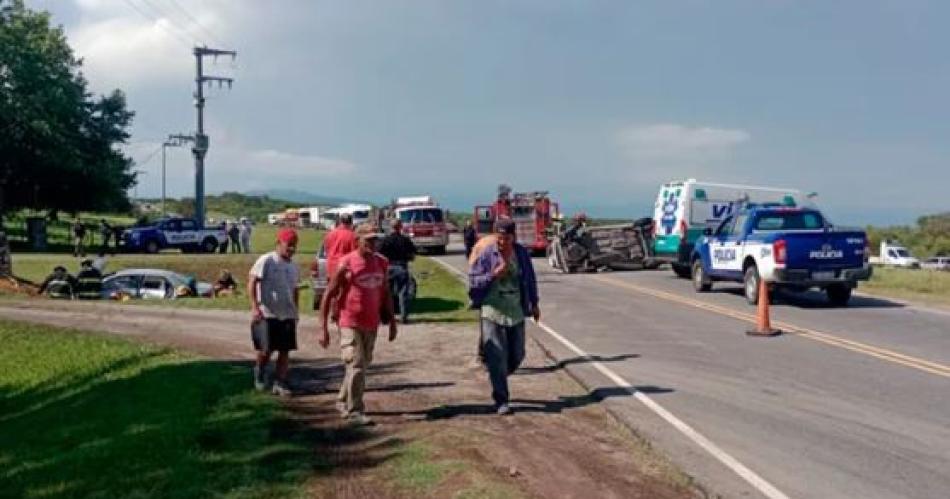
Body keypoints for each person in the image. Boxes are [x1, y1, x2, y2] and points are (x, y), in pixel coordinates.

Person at [319, 223, 397, 426]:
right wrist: (324, 329)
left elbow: (386, 292)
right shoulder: (346, 263)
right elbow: (328, 295)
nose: (373, 243)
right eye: (369, 240)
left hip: (371, 322)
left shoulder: (382, 262)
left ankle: (342, 399)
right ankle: (355, 410)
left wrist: (392, 321)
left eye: (375, 239)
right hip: (349, 321)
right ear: (357, 241)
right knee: (356, 364)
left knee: (362, 364)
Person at [468, 218, 539, 415]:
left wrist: (535, 303)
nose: (502, 243)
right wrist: (492, 275)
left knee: (517, 354)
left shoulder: (521, 253)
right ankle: (501, 399)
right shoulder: (486, 254)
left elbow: (530, 279)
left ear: (513, 237)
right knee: (496, 355)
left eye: (506, 239)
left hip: (515, 310)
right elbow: (473, 281)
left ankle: (497, 374)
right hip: (492, 310)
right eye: (499, 238)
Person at [247, 228, 301, 397]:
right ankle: (260, 372)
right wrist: (255, 307)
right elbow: (251, 282)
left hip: (287, 313)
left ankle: (280, 382)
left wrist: (295, 312)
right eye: (288, 245)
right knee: (266, 350)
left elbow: (295, 290)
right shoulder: (267, 260)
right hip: (267, 312)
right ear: (279, 244)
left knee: (285, 350)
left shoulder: (293, 266)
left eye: (294, 246)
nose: (291, 249)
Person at [379, 219, 417, 324]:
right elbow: (413, 254)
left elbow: (379, 254)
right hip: (401, 267)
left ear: (391, 227)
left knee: (387, 293)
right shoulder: (405, 240)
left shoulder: (385, 240)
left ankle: (385, 318)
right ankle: (403, 317)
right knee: (403, 293)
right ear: (400, 227)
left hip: (388, 267)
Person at [323, 213, 358, 278]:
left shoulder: (330, 234)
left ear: (340, 221)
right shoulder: (352, 235)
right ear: (351, 223)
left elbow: (326, 250)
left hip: (331, 266)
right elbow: (354, 253)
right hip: (344, 267)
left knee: (333, 286)